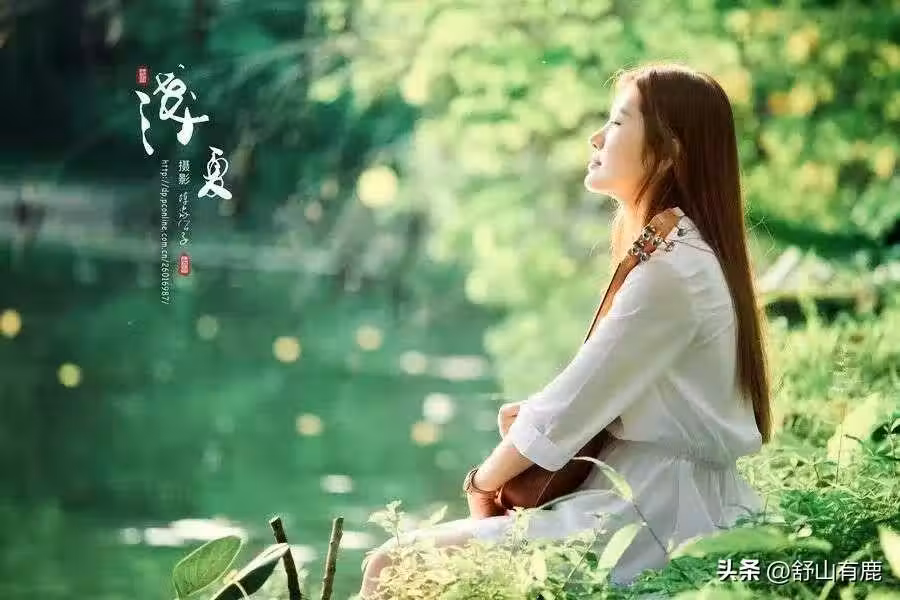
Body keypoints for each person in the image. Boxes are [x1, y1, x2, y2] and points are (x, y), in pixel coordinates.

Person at [357, 62, 772, 598]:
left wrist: (483, 482)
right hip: (653, 498)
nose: (597, 137)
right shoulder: (682, 255)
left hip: (653, 516)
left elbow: (570, 407)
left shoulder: (673, 269)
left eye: (617, 122)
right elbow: (601, 391)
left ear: (670, 150)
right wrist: (532, 418)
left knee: (392, 563)